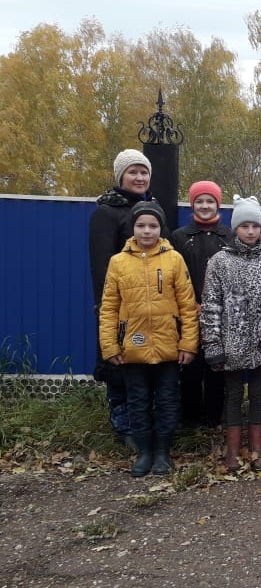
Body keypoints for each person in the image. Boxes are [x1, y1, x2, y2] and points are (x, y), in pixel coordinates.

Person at [98, 201, 198, 477]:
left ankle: (163, 452)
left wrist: (188, 343)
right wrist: (110, 346)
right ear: (133, 228)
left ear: (160, 228)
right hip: (132, 348)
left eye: (152, 226)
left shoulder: (174, 259)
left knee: (167, 399)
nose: (146, 231)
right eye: (141, 225)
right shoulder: (118, 262)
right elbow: (108, 308)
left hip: (168, 347)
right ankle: (144, 452)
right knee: (138, 400)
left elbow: (188, 305)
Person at [200, 196, 261, 471]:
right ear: (235, 228)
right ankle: (232, 450)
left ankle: (257, 448)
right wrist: (212, 343)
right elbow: (211, 304)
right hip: (231, 343)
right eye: (244, 226)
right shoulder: (220, 261)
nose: (250, 231)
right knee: (232, 396)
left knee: (258, 394)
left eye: (255, 226)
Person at [88, 148, 160, 445]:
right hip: (121, 304)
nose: (139, 177)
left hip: (153, 306)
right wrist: (109, 306)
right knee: (119, 365)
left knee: (147, 362)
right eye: (133, 172)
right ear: (121, 176)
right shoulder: (106, 213)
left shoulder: (152, 209)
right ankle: (124, 425)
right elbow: (102, 265)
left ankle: (145, 422)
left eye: (143, 172)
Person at [171, 180, 231, 428]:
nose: (205, 206)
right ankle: (190, 421)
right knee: (191, 367)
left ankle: (215, 419)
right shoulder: (179, 237)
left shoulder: (228, 236)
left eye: (210, 201)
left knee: (218, 367)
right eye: (200, 201)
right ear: (192, 203)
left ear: (217, 204)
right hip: (189, 311)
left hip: (223, 313)